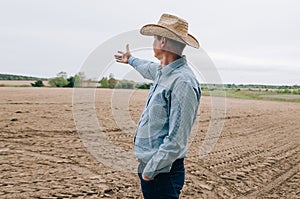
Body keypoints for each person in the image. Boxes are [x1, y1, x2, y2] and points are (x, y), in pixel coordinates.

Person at [114, 13, 201, 199]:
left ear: (162, 41)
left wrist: (151, 171)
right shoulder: (164, 72)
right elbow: (148, 68)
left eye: (155, 38)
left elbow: (177, 140)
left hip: (162, 173)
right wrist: (131, 60)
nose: (153, 42)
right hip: (153, 168)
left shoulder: (183, 82)